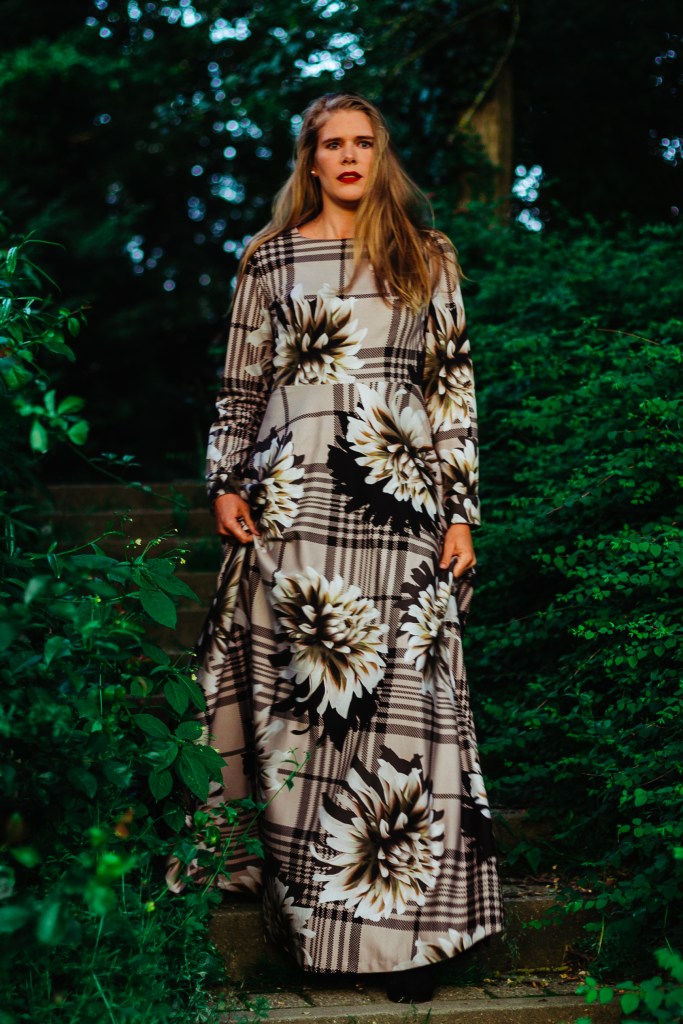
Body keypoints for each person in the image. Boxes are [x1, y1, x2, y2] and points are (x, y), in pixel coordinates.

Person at [198, 92, 504, 1002]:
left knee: (408, 711)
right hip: (294, 507)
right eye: (330, 143)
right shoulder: (269, 257)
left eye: (362, 142)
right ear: (308, 158)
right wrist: (223, 481)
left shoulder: (425, 254)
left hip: (401, 505)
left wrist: (460, 511)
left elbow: (451, 390)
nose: (347, 156)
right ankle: (319, 932)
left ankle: (413, 942)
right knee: (311, 715)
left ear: (381, 155)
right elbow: (239, 384)